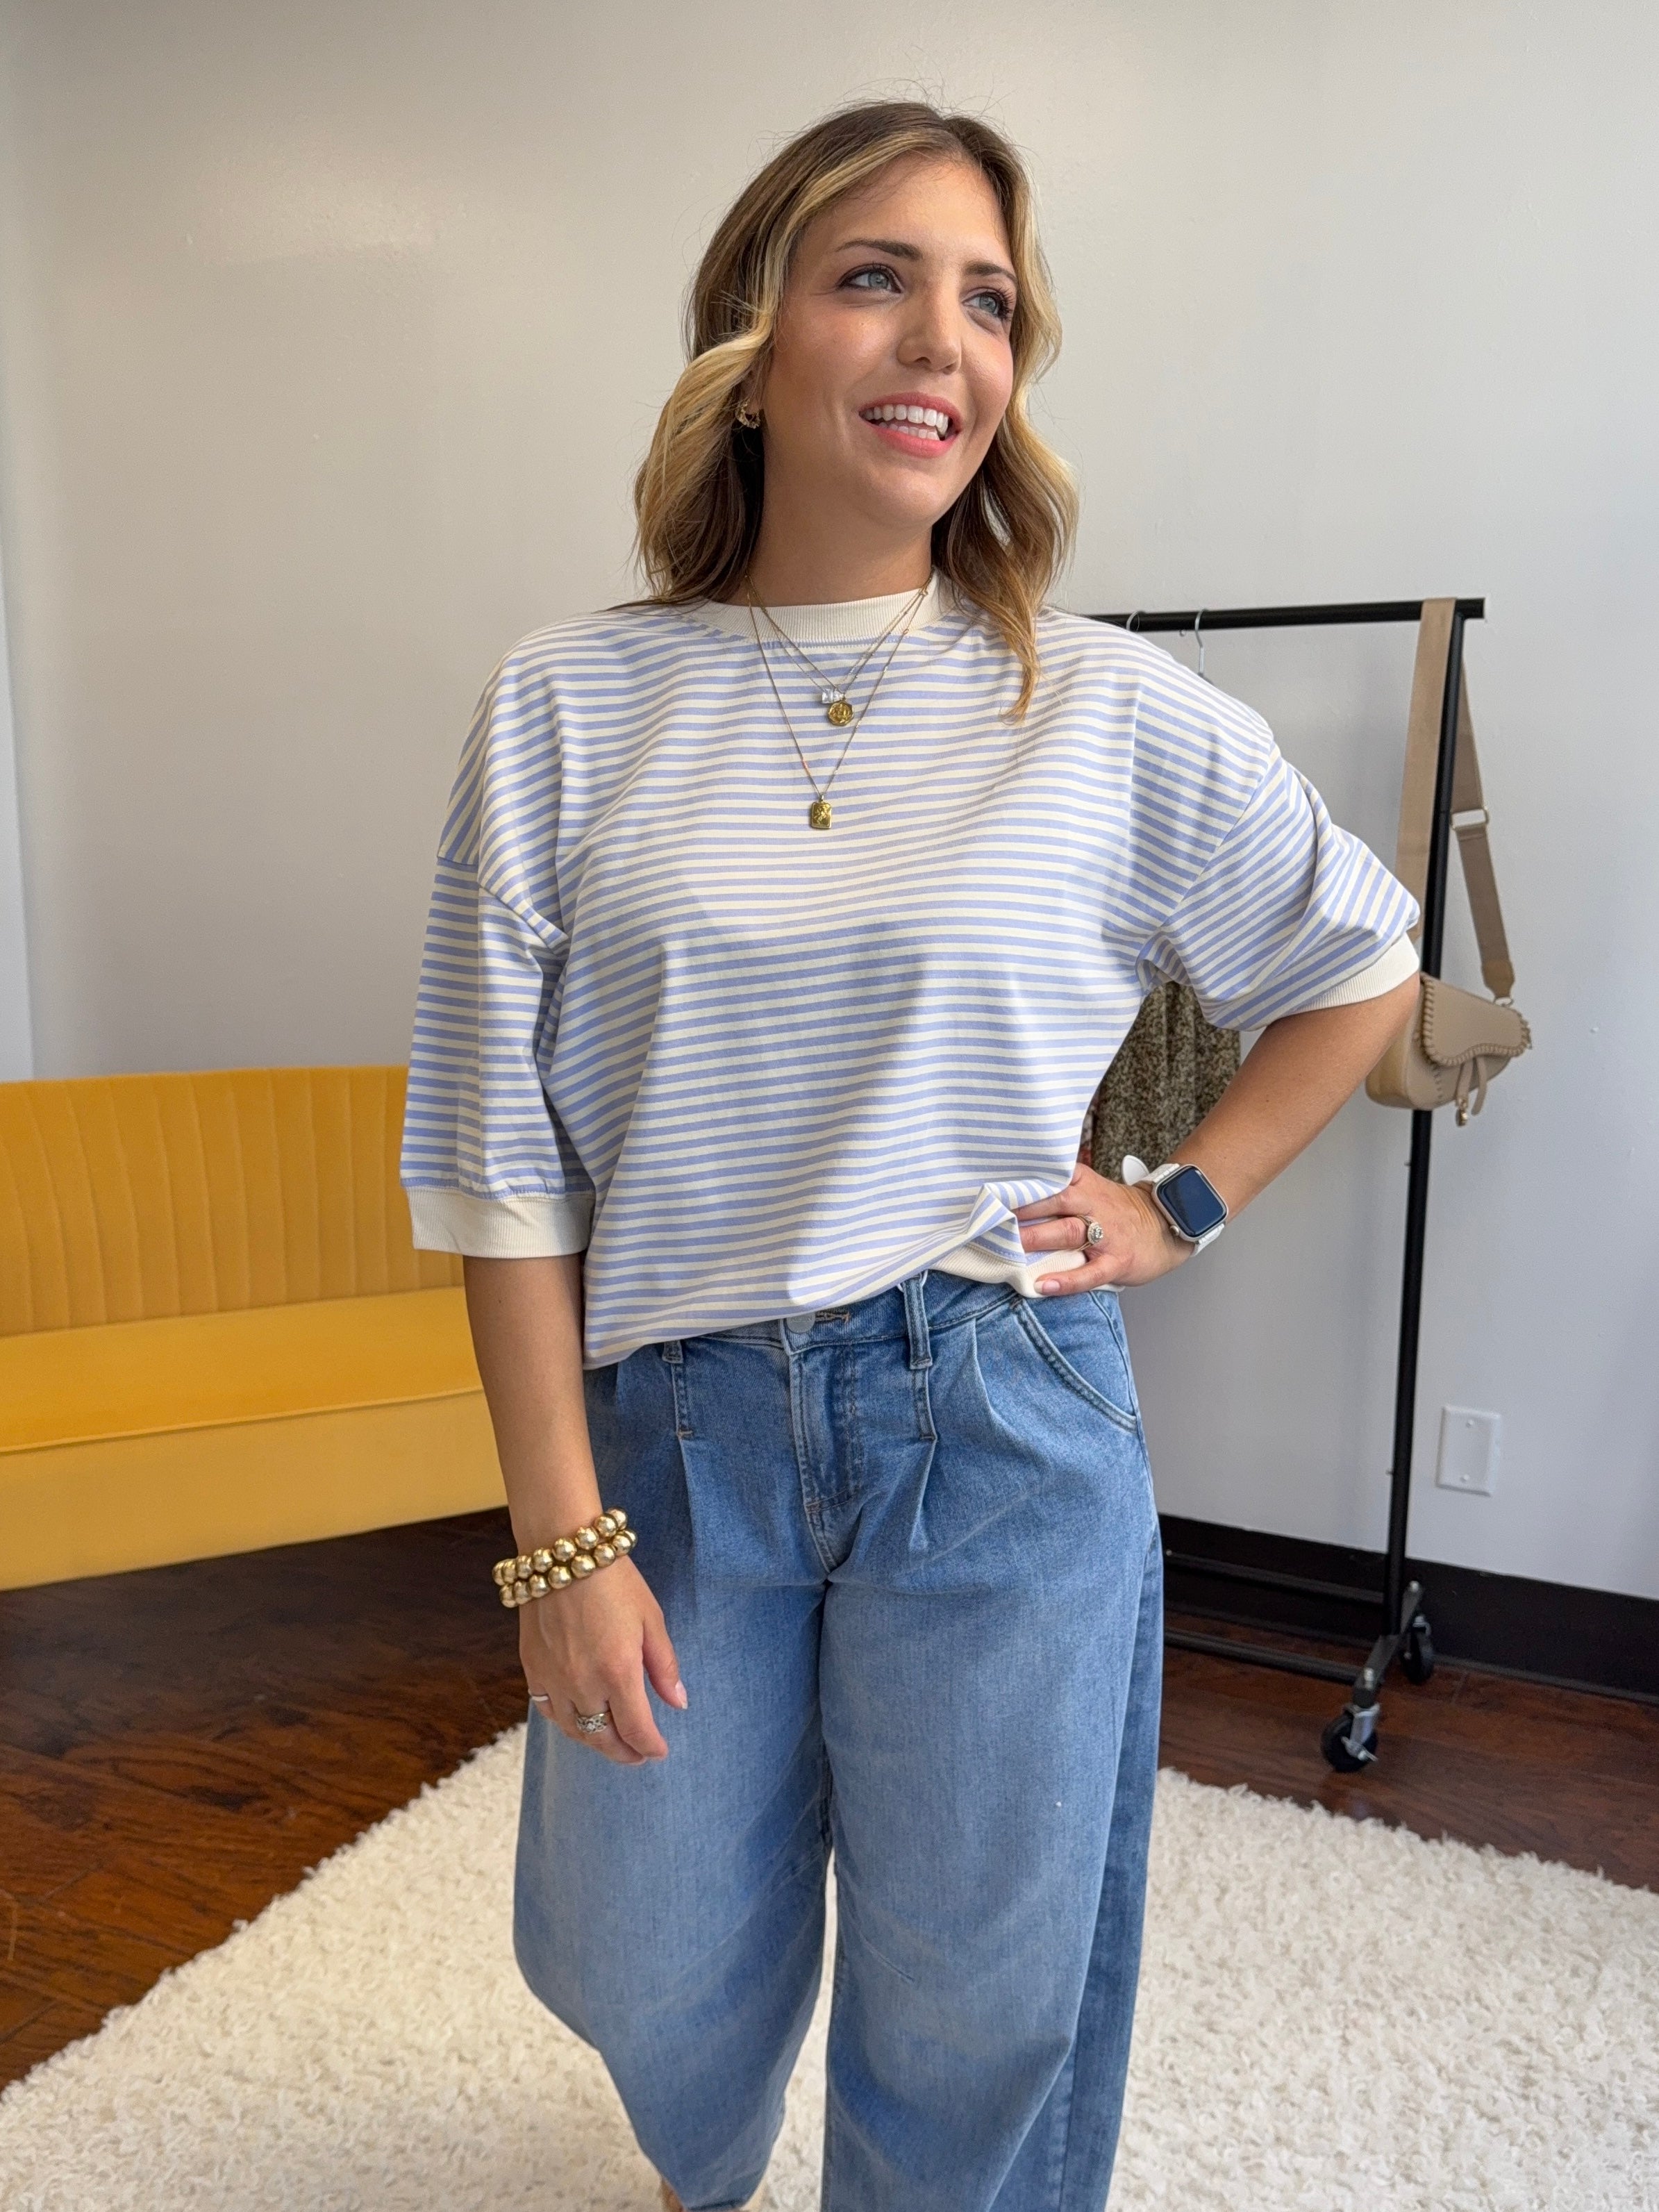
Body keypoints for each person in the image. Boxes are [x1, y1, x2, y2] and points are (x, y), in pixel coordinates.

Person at [400, 99, 1420, 2212]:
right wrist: (559, 1539)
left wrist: (1182, 1199)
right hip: (677, 1422)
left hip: (996, 1401)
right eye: (875, 278)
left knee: (981, 1996)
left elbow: (1363, 962)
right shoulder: (570, 702)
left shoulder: (1106, 709)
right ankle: (708, 2165)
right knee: (630, 1951)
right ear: (749, 343)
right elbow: (499, 1156)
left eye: (991, 304)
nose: (942, 341)